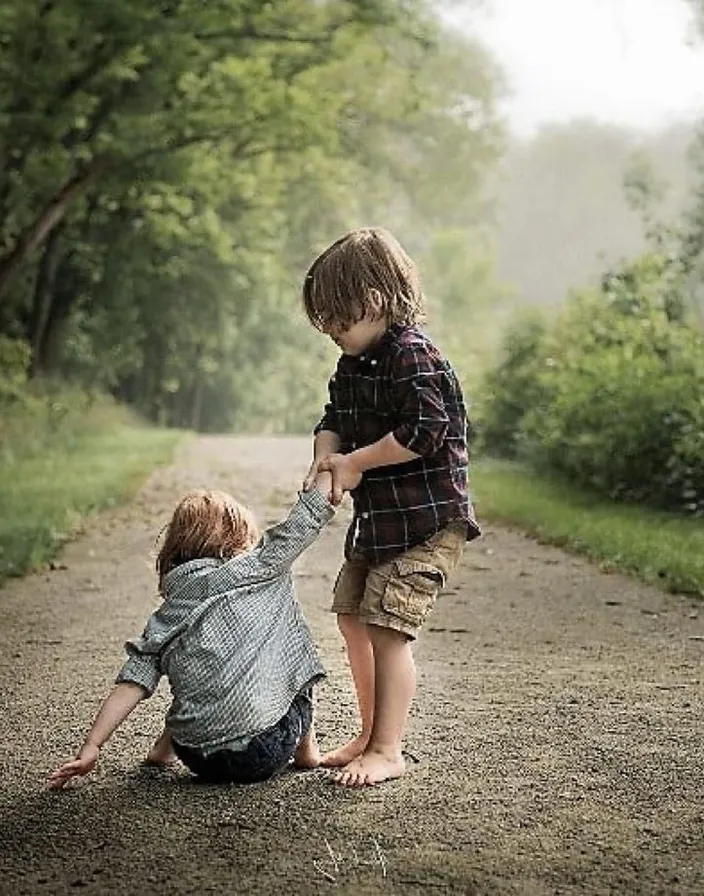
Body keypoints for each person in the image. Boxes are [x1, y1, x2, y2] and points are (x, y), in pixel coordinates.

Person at [302, 226, 481, 787]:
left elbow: (427, 430)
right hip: (380, 523)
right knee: (353, 616)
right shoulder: (353, 364)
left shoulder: (414, 356)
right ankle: (368, 731)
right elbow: (332, 418)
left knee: (386, 625)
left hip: (426, 523)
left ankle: (388, 748)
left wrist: (357, 464)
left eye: (336, 317)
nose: (330, 330)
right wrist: (326, 458)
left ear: (373, 302)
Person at [48, 483, 335, 788]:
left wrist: (92, 745)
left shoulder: (171, 608)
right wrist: (325, 486)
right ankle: (307, 751)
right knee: (290, 645)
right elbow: (294, 531)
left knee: (200, 664)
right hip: (260, 753)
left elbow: (132, 682)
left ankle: (164, 749)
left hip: (196, 755)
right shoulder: (255, 570)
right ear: (236, 539)